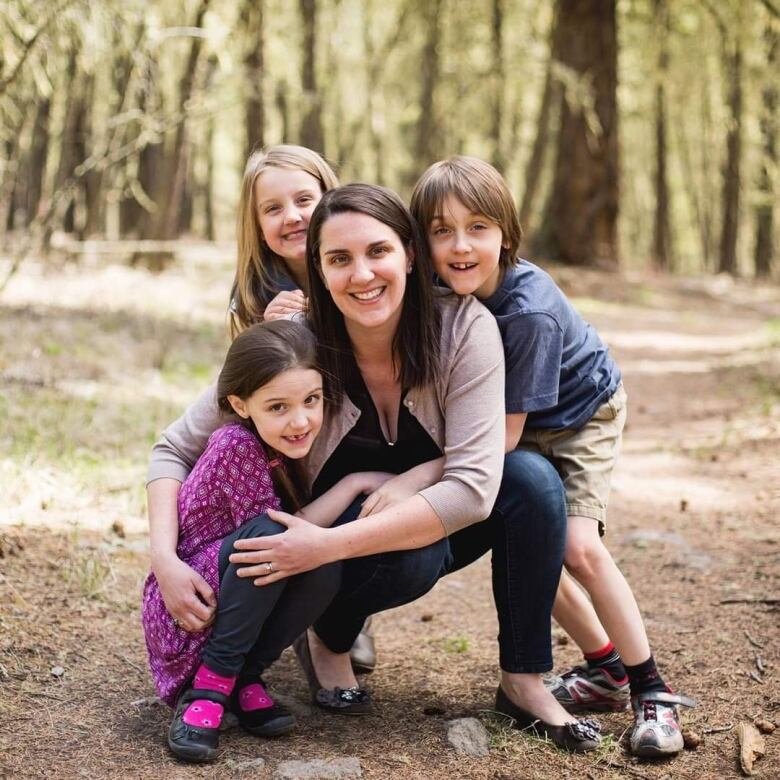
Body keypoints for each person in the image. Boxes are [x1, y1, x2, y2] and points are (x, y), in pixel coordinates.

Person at [147, 183, 603, 752]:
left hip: (347, 539)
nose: (362, 275)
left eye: (378, 252)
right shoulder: (295, 342)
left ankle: (523, 682)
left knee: (532, 482)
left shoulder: (462, 327)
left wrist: (330, 544)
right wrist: (164, 559)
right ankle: (328, 637)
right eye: (339, 260)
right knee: (412, 556)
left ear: (410, 254)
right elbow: (173, 449)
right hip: (318, 547)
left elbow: (474, 487)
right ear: (317, 269)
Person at [410, 156, 695, 759]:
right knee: (533, 536)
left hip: (579, 414)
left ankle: (652, 689)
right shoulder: (437, 290)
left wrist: (420, 475)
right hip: (519, 420)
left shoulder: (529, 312)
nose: (460, 246)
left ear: (506, 236)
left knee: (577, 545)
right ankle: (605, 671)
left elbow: (502, 443)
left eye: (478, 228)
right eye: (441, 230)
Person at [142, 319, 392, 762]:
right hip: (188, 608)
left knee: (320, 556)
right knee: (277, 539)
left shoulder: (273, 448)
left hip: (230, 593)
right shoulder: (235, 443)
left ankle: (244, 677)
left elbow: (295, 536)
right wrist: (353, 485)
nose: (299, 421)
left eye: (311, 400)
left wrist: (353, 482)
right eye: (277, 407)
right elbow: (275, 530)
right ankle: (210, 686)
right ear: (240, 403)